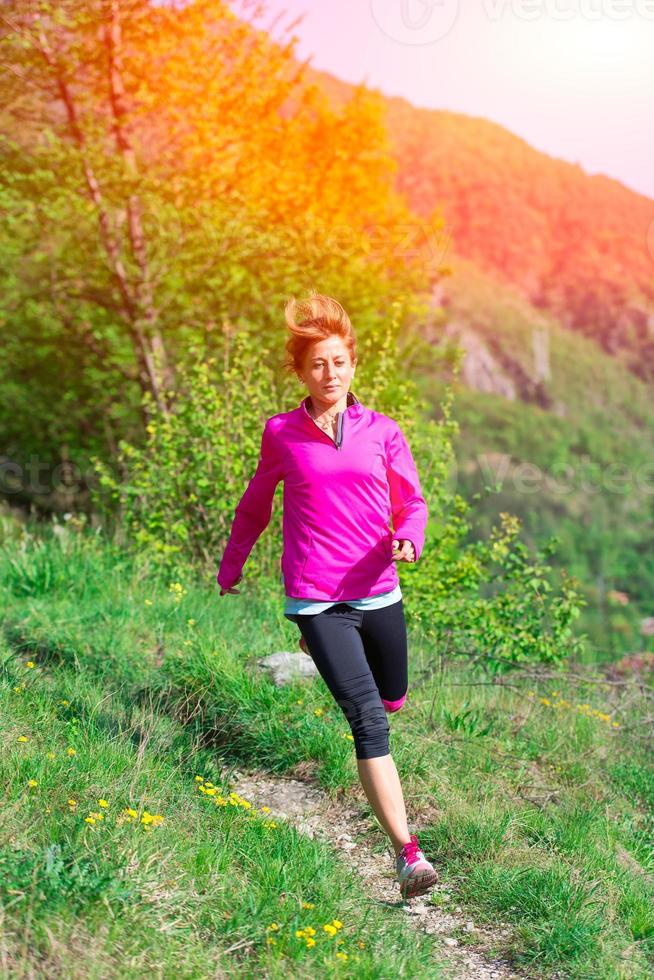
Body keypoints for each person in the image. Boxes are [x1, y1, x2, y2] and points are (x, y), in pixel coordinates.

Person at [217, 292, 438, 899]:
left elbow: (411, 503)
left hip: (378, 589)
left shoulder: (383, 432)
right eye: (318, 364)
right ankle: (407, 854)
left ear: (353, 365)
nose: (330, 373)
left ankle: (381, 696)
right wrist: (232, 565)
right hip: (316, 594)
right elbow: (256, 505)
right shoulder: (282, 434)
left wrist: (409, 540)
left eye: (338, 362)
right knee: (367, 719)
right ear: (301, 372)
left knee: (393, 696)